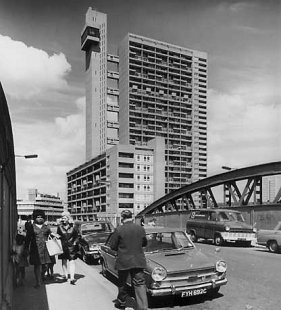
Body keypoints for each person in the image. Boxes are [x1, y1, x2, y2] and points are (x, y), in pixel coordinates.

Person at [110, 209, 148, 310]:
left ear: (122, 218)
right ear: (132, 217)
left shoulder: (119, 229)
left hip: (124, 261)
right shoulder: (140, 228)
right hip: (138, 260)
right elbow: (144, 243)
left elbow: (112, 246)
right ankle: (143, 307)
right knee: (140, 284)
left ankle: (122, 302)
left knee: (122, 282)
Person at [24, 209, 53, 288]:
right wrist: (26, 248)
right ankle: (38, 282)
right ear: (34, 218)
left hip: (45, 249)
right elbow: (27, 239)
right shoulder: (31, 227)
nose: (40, 218)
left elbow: (51, 236)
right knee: (37, 266)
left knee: (46, 266)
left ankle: (42, 275)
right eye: (37, 217)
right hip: (35, 249)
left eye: (41, 217)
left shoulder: (46, 227)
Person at [56, 211, 79, 285]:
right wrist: (56, 238)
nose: (63, 219)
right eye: (62, 218)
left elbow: (77, 236)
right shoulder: (59, 227)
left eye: (65, 217)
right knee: (64, 261)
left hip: (71, 246)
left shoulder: (73, 226)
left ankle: (72, 278)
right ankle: (66, 276)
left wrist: (75, 242)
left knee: (72, 261)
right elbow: (58, 235)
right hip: (62, 246)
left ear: (68, 218)